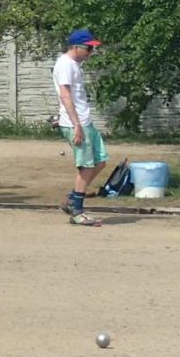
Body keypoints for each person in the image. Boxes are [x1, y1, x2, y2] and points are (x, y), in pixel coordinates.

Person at [53, 29, 107, 226]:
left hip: (86, 121)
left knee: (100, 161)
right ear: (75, 47)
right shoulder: (65, 64)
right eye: (89, 48)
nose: (91, 52)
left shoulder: (75, 65)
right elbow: (65, 95)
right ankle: (77, 212)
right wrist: (76, 125)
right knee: (86, 167)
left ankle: (72, 198)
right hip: (77, 123)